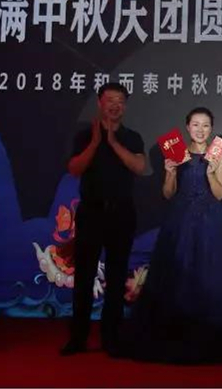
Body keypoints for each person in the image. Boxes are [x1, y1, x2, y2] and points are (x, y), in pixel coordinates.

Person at [126, 107, 222, 364]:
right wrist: (169, 172)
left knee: (209, 276)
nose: (201, 130)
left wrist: (211, 173)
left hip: (210, 222)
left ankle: (211, 337)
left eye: (206, 125)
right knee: (177, 277)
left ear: (211, 129)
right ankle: (174, 334)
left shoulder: (218, 155)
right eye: (196, 124)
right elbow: (168, 194)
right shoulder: (177, 154)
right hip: (180, 221)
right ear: (187, 127)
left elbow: (220, 195)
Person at [61, 82, 146, 357]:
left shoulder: (132, 137)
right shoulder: (85, 135)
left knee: (117, 276)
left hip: (122, 213)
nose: (115, 105)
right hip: (91, 213)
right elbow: (74, 168)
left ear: (125, 106)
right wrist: (97, 143)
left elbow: (139, 166)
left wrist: (112, 143)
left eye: (120, 101)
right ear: (100, 103)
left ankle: (112, 337)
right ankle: (78, 337)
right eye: (110, 100)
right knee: (84, 277)